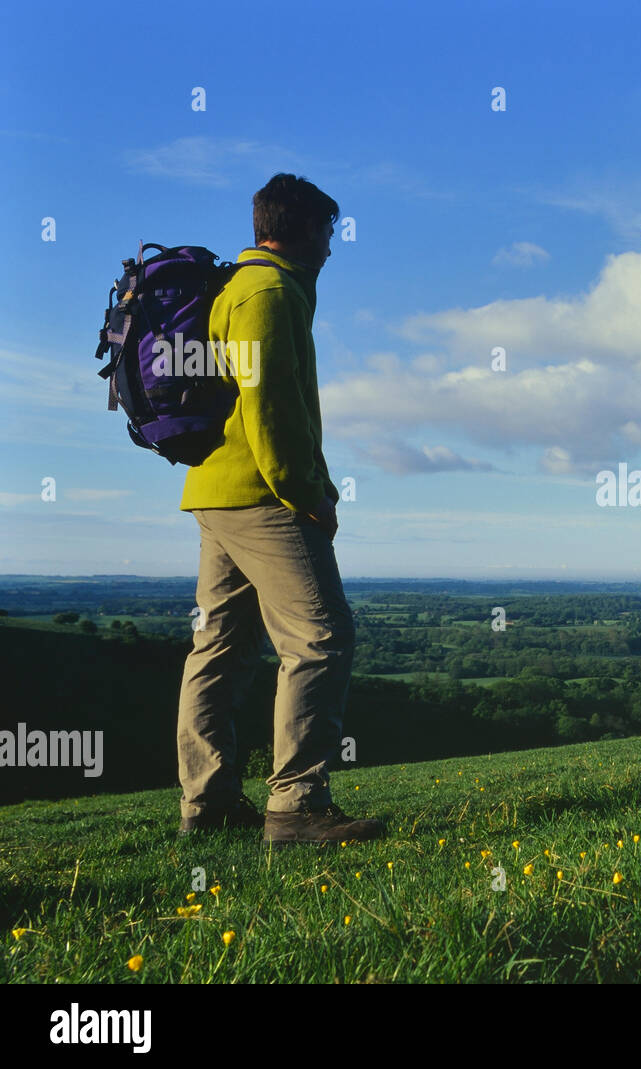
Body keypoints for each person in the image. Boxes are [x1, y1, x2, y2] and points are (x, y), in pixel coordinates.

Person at [175, 173, 383, 847]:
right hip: (262, 495)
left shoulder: (239, 285)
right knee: (322, 636)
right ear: (296, 230)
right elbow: (271, 411)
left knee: (221, 648)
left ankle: (207, 804)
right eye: (327, 232)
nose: (331, 247)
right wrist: (309, 494)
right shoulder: (267, 293)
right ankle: (296, 806)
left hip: (217, 490)